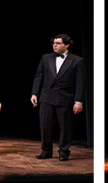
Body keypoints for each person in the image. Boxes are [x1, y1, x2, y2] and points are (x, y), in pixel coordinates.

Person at [31, 34, 86, 162]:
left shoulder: (77, 60)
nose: (55, 45)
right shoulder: (46, 58)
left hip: (65, 98)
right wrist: (35, 93)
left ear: (67, 45)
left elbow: (80, 83)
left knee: (66, 126)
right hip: (46, 96)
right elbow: (39, 76)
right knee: (45, 125)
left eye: (58, 43)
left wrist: (78, 101)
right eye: (53, 43)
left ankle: (64, 151)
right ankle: (46, 150)